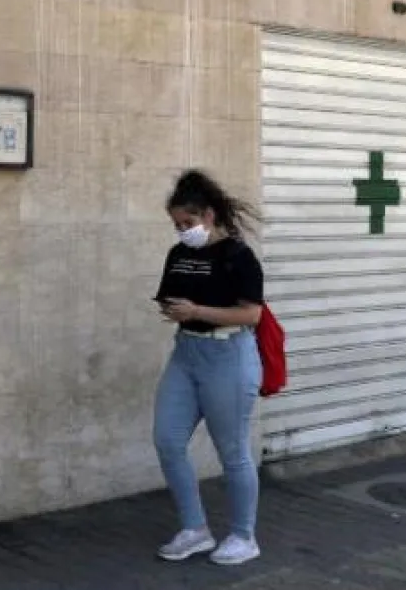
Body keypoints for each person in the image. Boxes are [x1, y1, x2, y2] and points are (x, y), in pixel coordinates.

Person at [151, 169, 265, 566]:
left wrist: (197, 310)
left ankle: (243, 536)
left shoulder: (238, 256)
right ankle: (194, 529)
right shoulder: (179, 253)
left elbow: (251, 314)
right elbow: (171, 295)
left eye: (189, 222)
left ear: (211, 215)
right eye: (177, 224)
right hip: (186, 353)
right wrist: (175, 309)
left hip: (228, 357)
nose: (184, 231)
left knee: (232, 450)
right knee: (167, 439)